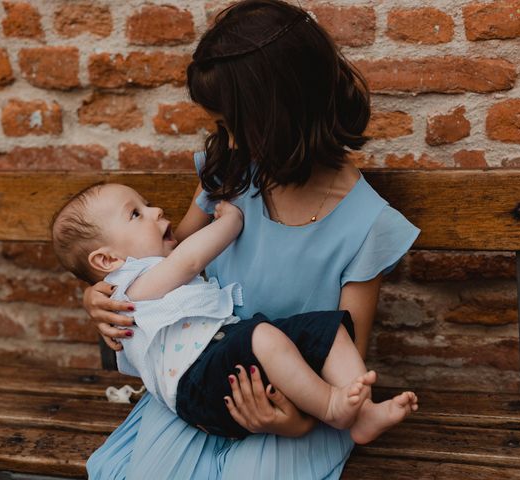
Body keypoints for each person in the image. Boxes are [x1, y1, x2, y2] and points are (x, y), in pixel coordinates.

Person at [85, 0, 420, 477]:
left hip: (298, 405)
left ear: (283, 113)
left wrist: (296, 424)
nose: (232, 140)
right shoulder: (228, 174)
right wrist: (99, 293)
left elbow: (345, 356)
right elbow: (168, 259)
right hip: (203, 384)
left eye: (235, 125)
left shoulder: (368, 225)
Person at [51, 182, 418, 442]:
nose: (156, 210)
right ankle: (331, 405)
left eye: (145, 204)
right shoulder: (130, 286)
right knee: (262, 335)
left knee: (329, 328)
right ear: (108, 260)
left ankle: (363, 413)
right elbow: (190, 259)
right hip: (198, 381)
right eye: (136, 213)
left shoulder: (142, 281)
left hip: (223, 355)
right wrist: (230, 221)